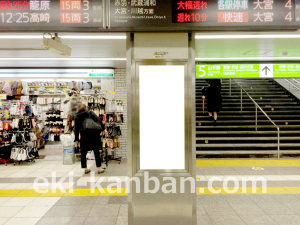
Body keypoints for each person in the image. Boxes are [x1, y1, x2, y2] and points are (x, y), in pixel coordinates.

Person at [74, 103, 105, 174]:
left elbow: (76, 129)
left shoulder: (77, 116)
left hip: (84, 135)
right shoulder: (90, 113)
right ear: (85, 107)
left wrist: (76, 139)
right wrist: (103, 128)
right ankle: (99, 168)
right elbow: (98, 121)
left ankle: (85, 168)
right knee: (96, 151)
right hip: (94, 134)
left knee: (83, 152)